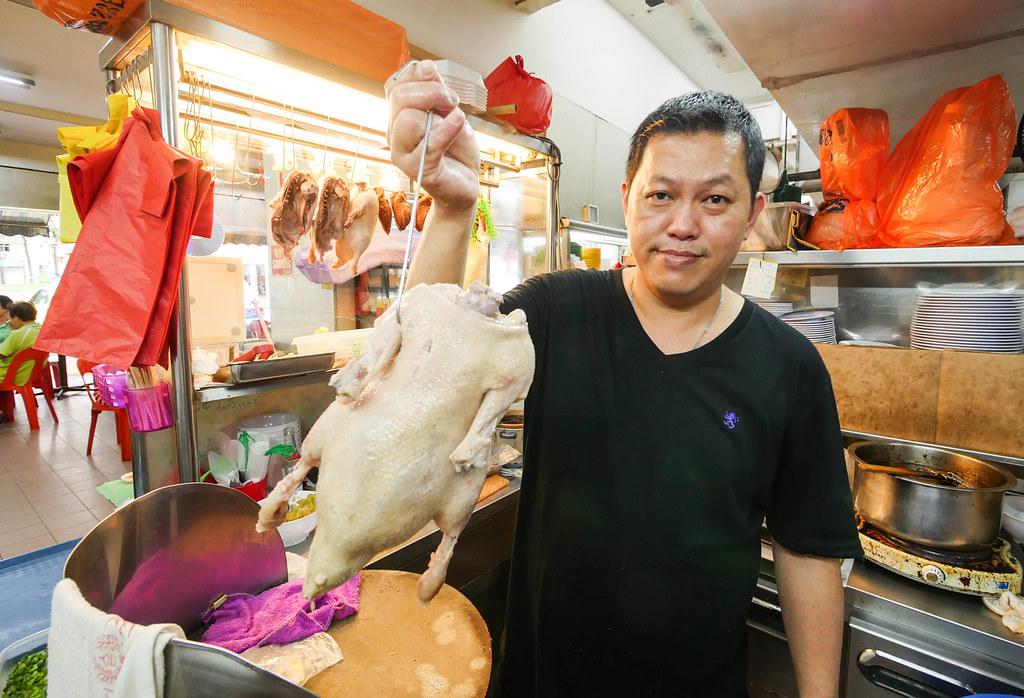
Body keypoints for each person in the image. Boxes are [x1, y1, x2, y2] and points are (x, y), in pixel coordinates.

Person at [386, 61, 861, 697]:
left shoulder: (789, 368)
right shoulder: (555, 313)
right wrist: (450, 208)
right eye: (660, 195)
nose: (683, 224)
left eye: (715, 199)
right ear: (628, 196)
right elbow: (425, 371)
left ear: (752, 216)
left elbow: (808, 554)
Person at [0, 301, 43, 384]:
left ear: (16, 317)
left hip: (10, 375)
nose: (10, 322)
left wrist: (15, 332)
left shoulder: (17, 334)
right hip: (31, 373)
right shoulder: (41, 330)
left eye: (10, 319)